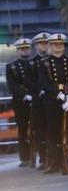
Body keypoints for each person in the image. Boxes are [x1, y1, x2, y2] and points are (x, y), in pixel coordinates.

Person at [38, 33, 68, 174]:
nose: (58, 46)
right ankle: (55, 164)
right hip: (52, 101)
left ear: (63, 46)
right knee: (52, 133)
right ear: (50, 46)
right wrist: (58, 94)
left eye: (60, 44)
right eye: (55, 44)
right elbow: (44, 82)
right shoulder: (44, 63)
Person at [25, 32, 51, 170]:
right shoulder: (30, 63)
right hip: (38, 101)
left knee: (53, 129)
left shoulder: (52, 60)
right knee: (40, 131)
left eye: (46, 43)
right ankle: (42, 158)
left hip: (52, 100)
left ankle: (55, 157)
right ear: (36, 46)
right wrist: (39, 89)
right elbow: (28, 81)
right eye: (41, 43)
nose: (44, 46)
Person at [7, 38, 34, 167]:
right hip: (20, 101)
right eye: (22, 49)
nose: (25, 51)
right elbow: (12, 86)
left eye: (27, 48)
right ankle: (25, 157)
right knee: (23, 130)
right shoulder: (11, 66)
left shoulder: (36, 63)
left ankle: (40, 156)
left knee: (39, 128)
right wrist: (25, 95)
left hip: (36, 100)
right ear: (17, 51)